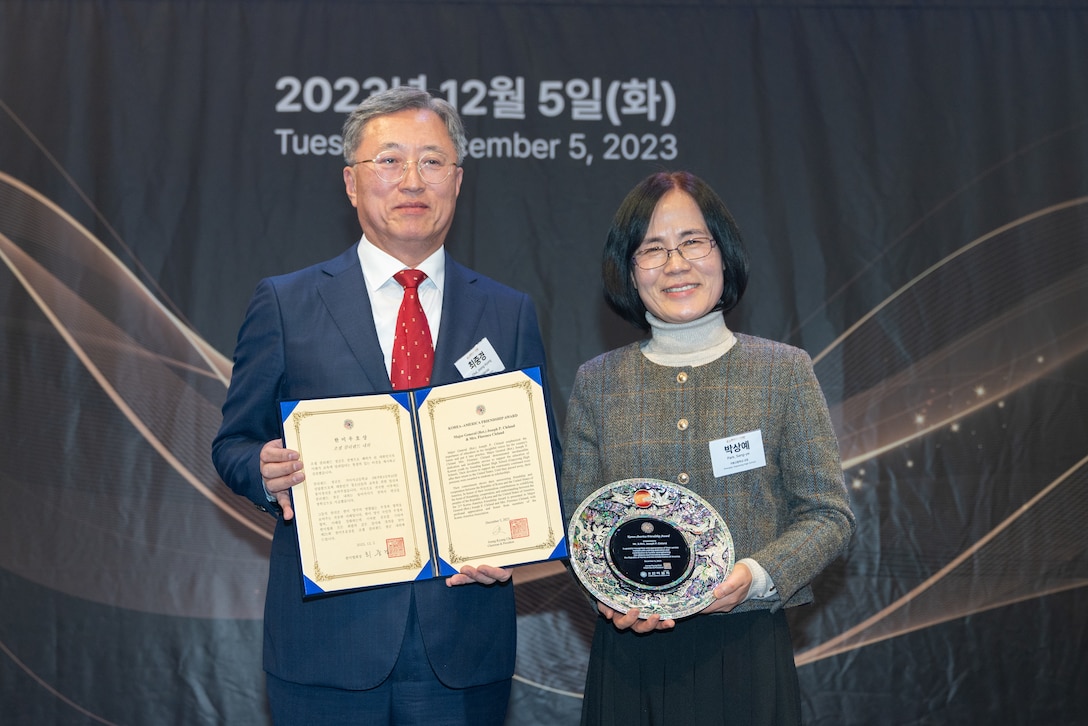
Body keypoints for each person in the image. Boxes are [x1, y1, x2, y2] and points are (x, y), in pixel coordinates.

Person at [212, 87, 551, 725]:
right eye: (389, 161)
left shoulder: (508, 312)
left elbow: (542, 456)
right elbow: (231, 444)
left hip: (463, 641)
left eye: (432, 161)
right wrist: (262, 469)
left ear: (457, 179)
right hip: (327, 643)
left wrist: (519, 534)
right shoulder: (285, 303)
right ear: (350, 182)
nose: (411, 180)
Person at [560, 171, 856, 726]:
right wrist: (607, 597)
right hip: (631, 663)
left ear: (724, 253)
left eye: (694, 242)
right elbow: (578, 526)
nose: (676, 264)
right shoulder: (597, 382)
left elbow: (828, 515)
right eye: (652, 249)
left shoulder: (783, 371)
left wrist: (756, 573)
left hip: (746, 650)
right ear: (628, 270)